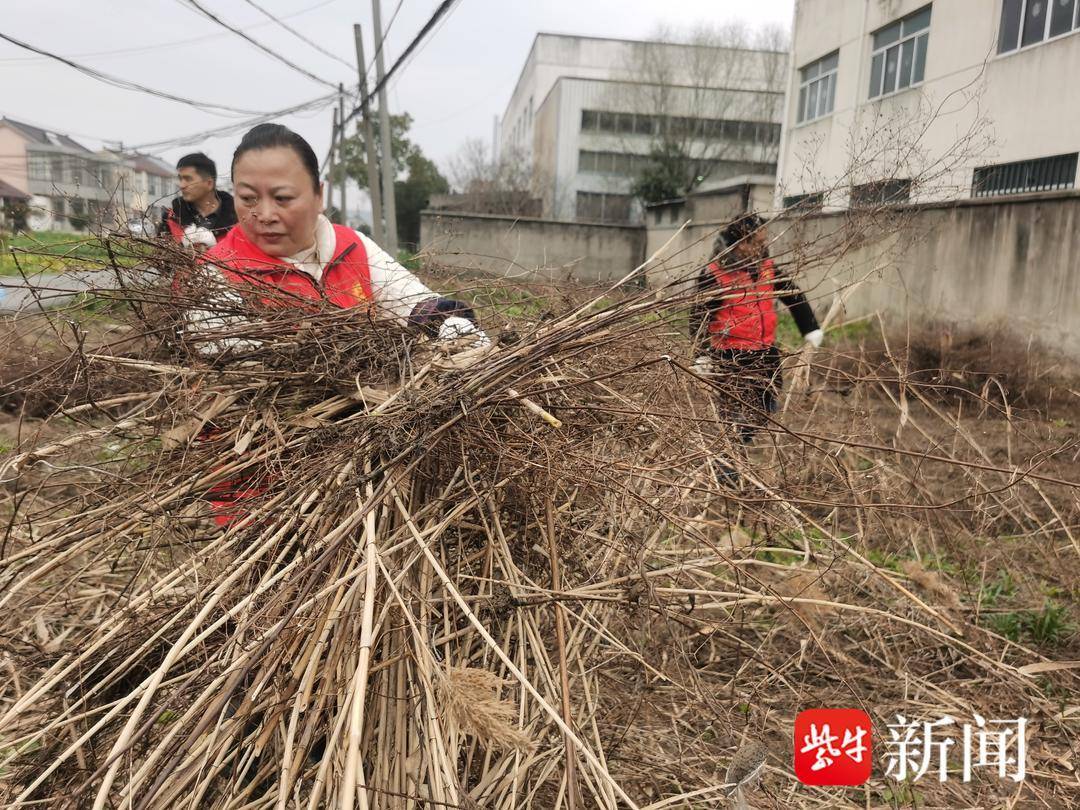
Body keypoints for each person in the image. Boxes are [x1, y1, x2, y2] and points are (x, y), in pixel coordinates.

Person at [188, 123, 486, 524]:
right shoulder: (216, 278)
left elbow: (414, 302)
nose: (264, 215)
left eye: (283, 198)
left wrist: (452, 327)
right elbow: (274, 388)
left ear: (319, 195)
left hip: (357, 482)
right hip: (264, 489)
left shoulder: (352, 246)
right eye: (247, 198)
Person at [690, 212, 823, 444]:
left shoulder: (766, 267)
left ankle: (738, 442)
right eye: (759, 242)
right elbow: (698, 317)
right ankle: (728, 462)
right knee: (734, 413)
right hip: (731, 357)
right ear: (742, 243)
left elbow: (793, 294)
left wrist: (810, 328)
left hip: (766, 352)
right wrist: (702, 356)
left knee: (767, 405)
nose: (764, 245)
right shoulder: (714, 274)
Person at [161, 152, 237, 249]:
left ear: (209, 183)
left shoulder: (238, 219)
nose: (182, 185)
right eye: (180, 179)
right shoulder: (171, 218)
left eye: (188, 179)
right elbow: (159, 258)